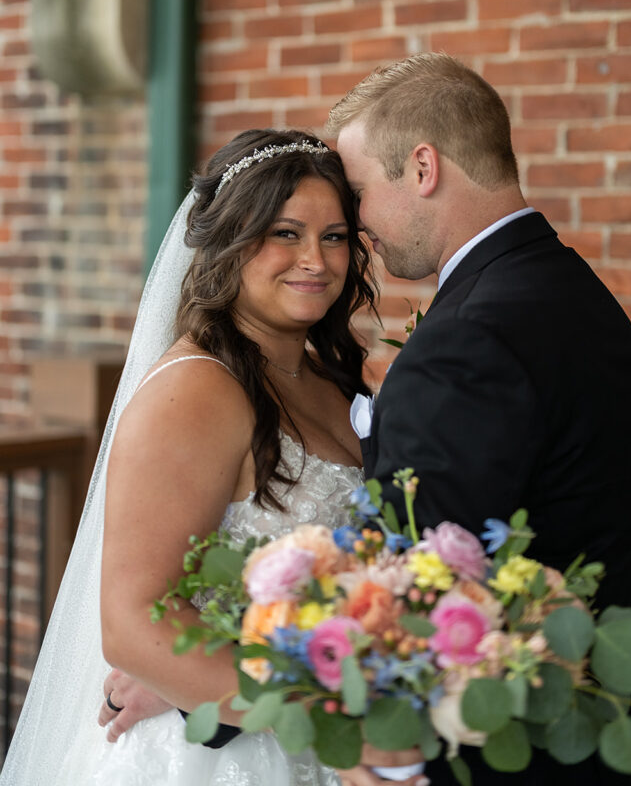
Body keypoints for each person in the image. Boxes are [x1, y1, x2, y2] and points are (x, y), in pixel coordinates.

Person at [325, 52, 631, 786]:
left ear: (422, 168)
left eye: (357, 194)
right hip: (601, 719)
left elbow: (418, 597)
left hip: (503, 749)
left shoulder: (467, 340)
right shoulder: (578, 294)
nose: (355, 226)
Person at [0, 129, 385, 786]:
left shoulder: (332, 382)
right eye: (285, 234)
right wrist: (329, 722)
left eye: (334, 236)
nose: (316, 260)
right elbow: (132, 626)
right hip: (221, 758)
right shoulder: (198, 388)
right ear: (230, 241)